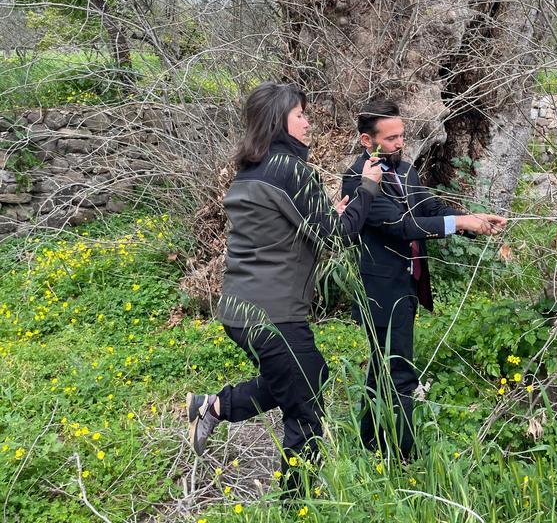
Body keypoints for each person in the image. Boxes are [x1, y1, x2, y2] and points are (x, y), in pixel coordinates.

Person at [185, 82, 382, 494]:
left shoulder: (251, 170)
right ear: (279, 121)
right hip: (273, 313)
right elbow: (336, 238)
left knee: (305, 377)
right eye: (300, 115)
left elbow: (281, 232)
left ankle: (213, 407)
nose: (308, 123)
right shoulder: (291, 170)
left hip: (242, 310)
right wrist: (366, 188)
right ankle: (298, 501)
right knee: (306, 407)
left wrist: (330, 214)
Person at [342, 100, 506, 459]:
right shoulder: (358, 180)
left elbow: (427, 208)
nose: (400, 143)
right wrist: (459, 223)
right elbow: (402, 226)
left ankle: (368, 442)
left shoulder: (405, 170)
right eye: (391, 139)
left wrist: (471, 219)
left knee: (383, 366)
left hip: (407, 286)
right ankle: (406, 458)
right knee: (400, 372)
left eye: (402, 136)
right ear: (367, 141)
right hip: (381, 291)